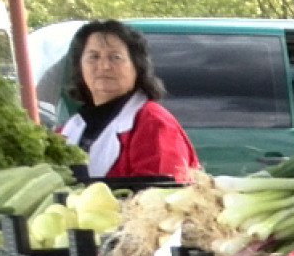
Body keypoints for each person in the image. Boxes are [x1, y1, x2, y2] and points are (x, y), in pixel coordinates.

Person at [57, 20, 199, 181]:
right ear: (79, 67)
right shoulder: (67, 130)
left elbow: (160, 197)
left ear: (137, 66)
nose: (104, 66)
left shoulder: (153, 123)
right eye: (93, 57)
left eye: (115, 57)